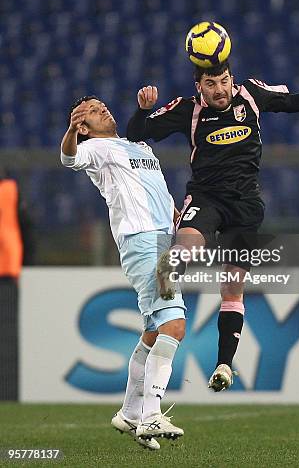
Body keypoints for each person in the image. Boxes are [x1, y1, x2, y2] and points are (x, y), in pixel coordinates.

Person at [126, 63, 299, 392]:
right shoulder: (187, 109)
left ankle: (223, 365)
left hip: (245, 207)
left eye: (224, 81)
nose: (219, 89)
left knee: (232, 287)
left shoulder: (251, 94)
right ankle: (168, 272)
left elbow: (292, 102)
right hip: (207, 198)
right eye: (211, 83)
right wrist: (142, 110)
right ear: (198, 85)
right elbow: (136, 134)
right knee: (188, 246)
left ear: (232, 79)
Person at [61, 96, 185, 450]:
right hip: (144, 243)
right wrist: (72, 131)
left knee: (152, 332)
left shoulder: (137, 145)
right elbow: (68, 158)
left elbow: (152, 189)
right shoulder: (95, 148)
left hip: (161, 240)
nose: (104, 110)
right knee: (173, 325)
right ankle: (150, 415)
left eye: (103, 105)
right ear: (84, 127)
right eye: (94, 111)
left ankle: (130, 413)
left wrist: (174, 213)